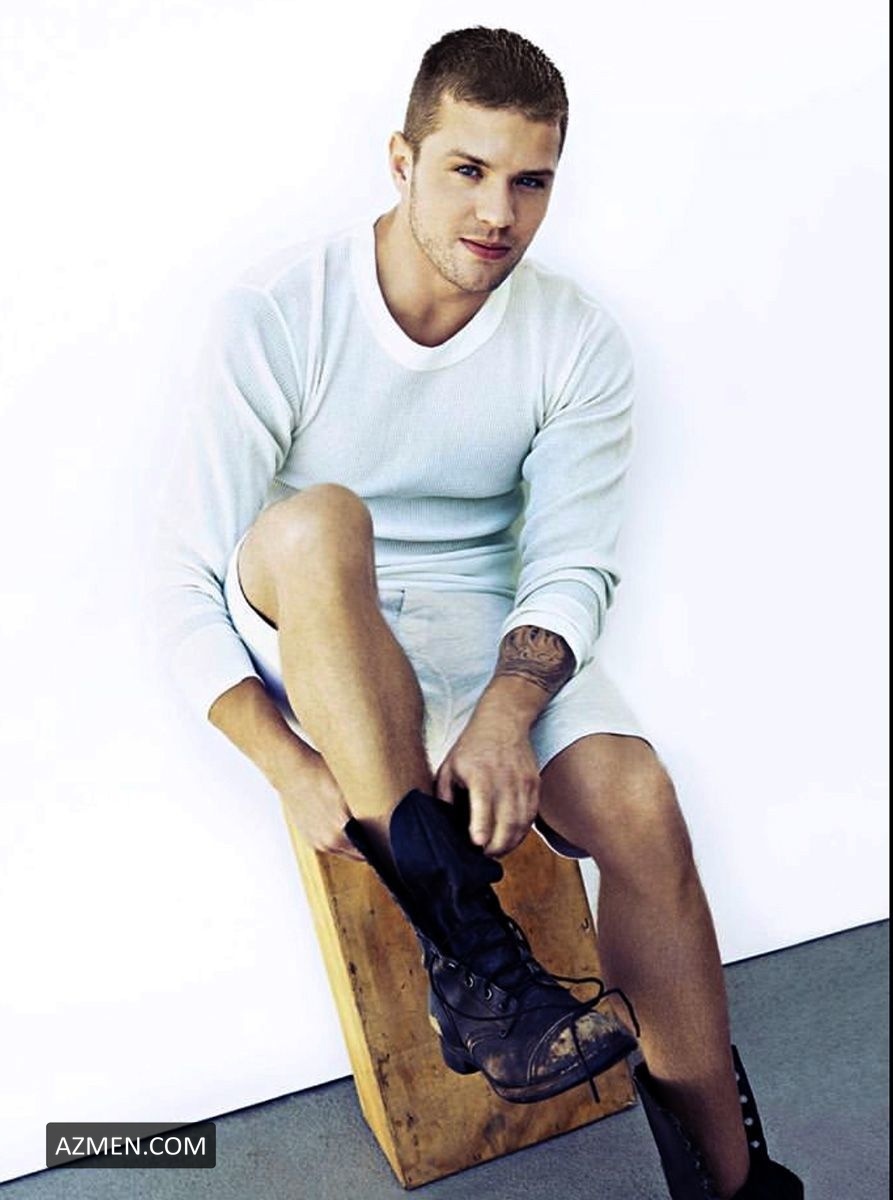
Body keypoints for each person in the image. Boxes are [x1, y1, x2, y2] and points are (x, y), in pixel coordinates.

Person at [155, 26, 804, 1200]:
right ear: (400, 161)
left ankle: (732, 1184)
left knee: (641, 803)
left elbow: (571, 566)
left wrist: (508, 708)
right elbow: (179, 586)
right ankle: (481, 980)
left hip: (482, 632)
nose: (497, 213)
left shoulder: (575, 339)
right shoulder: (278, 313)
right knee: (320, 521)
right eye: (466, 170)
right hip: (318, 619)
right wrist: (288, 767)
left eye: (530, 181)